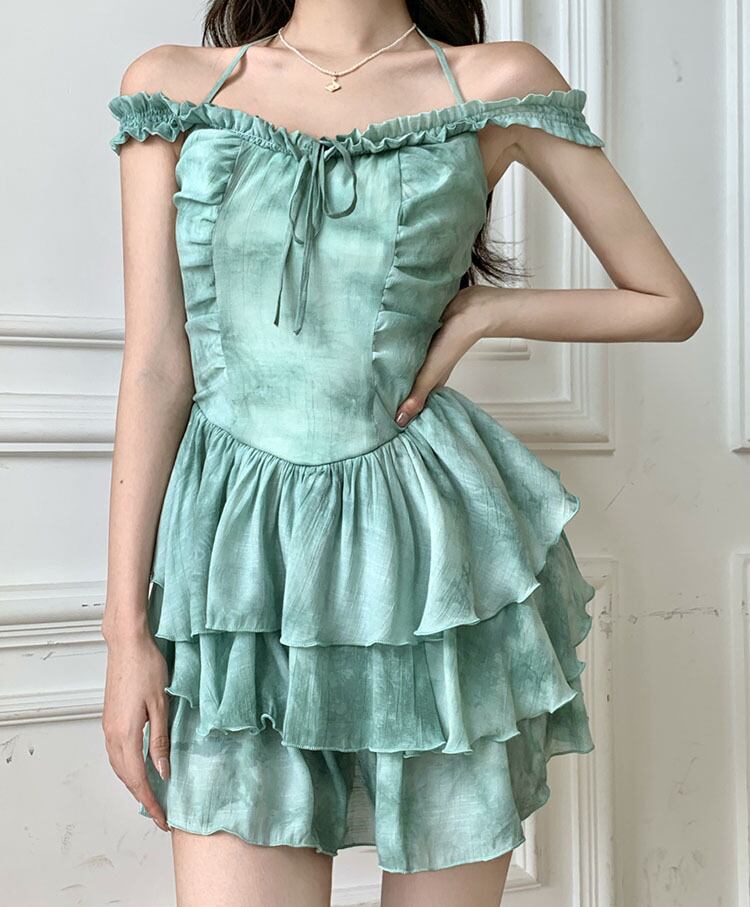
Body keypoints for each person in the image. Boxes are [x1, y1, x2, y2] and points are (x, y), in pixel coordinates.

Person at [101, 1, 703, 904]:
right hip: (235, 578)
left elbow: (666, 300)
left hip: (429, 571)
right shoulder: (174, 88)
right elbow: (156, 365)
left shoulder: (497, 84)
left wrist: (488, 310)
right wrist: (124, 637)